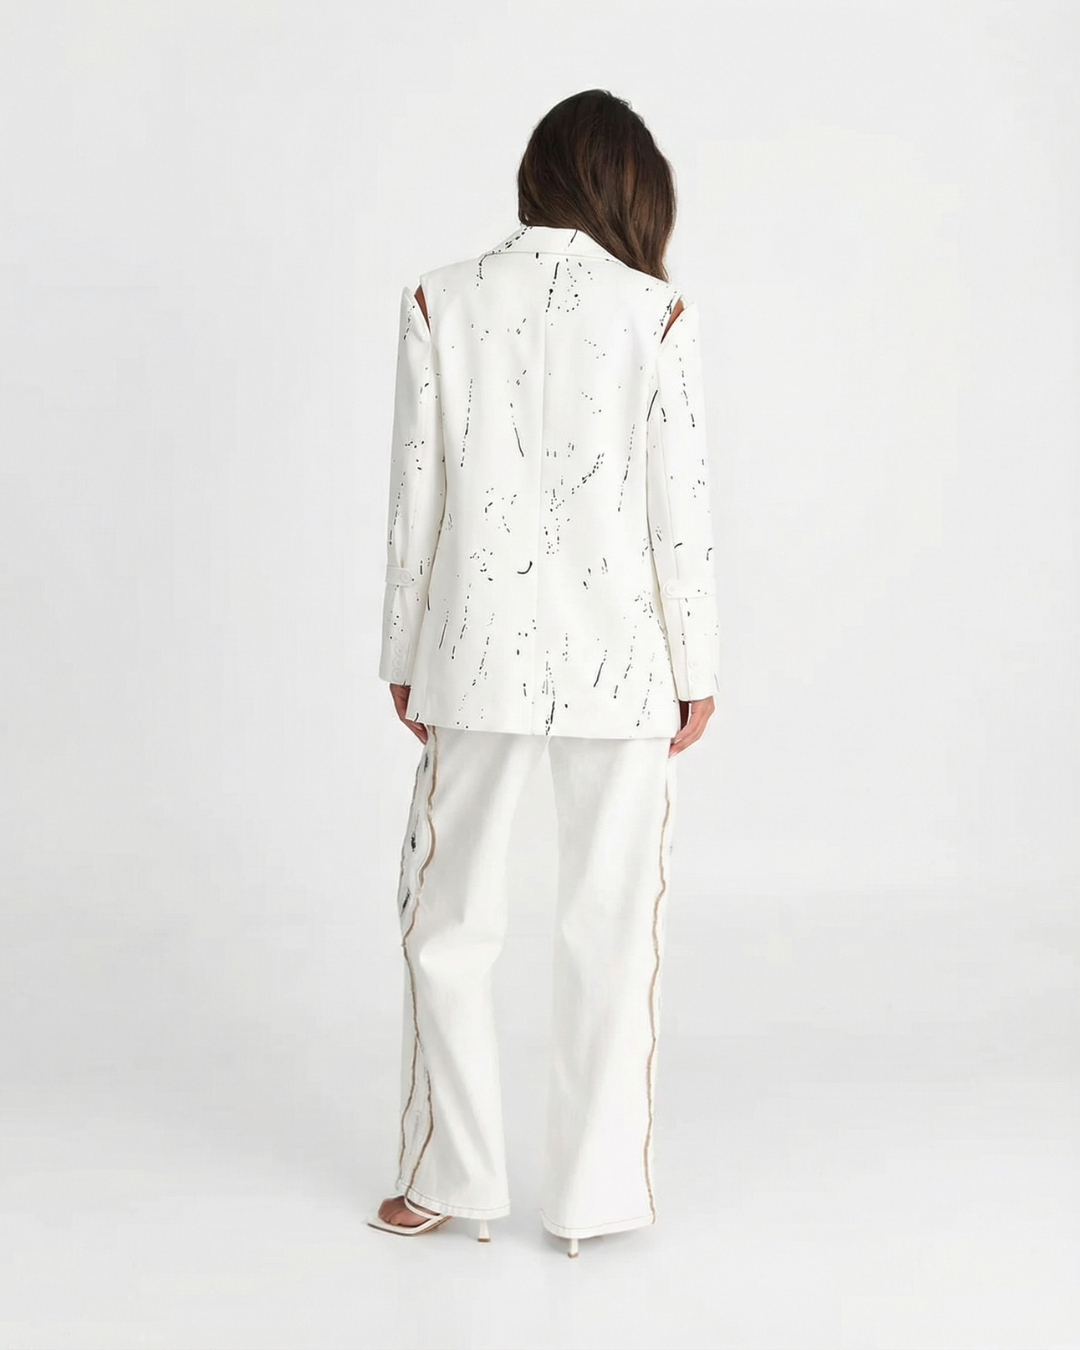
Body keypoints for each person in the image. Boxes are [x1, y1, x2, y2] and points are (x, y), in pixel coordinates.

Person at [368, 89, 720, 1258]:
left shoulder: (442, 298)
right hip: (627, 660)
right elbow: (680, 510)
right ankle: (595, 1198)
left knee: (447, 920)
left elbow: (415, 498)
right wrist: (698, 666)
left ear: (538, 174)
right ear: (631, 190)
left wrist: (402, 652)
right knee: (615, 926)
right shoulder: (657, 312)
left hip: (470, 652)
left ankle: (446, 1175)